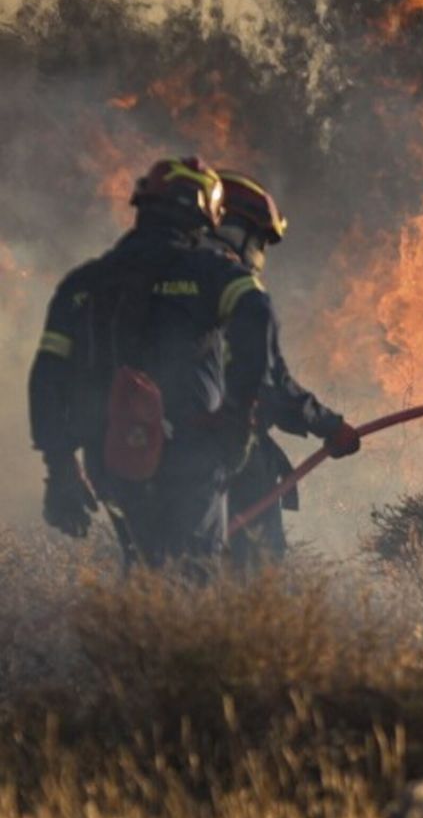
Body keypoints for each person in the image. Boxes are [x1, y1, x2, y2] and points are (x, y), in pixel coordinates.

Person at [27, 157, 272, 573]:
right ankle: (171, 635)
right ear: (203, 214)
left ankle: (139, 634)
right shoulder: (214, 274)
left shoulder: (84, 282)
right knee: (191, 574)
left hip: (113, 457)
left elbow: (48, 378)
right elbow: (257, 319)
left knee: (143, 567)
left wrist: (60, 466)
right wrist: (239, 417)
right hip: (192, 455)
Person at [209, 171, 361, 570]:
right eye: (258, 240)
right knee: (257, 566)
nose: (259, 252)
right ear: (234, 229)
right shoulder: (235, 288)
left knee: (169, 568)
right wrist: (330, 425)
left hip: (153, 453)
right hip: (230, 450)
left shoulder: (158, 280)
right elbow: (270, 384)